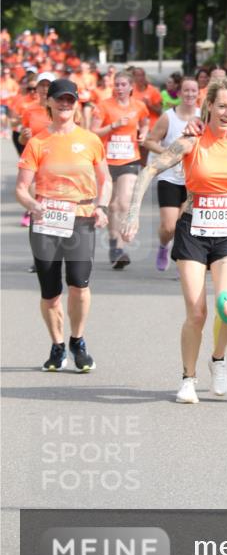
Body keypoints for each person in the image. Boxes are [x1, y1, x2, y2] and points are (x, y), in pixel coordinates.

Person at [121, 78, 227, 404]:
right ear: (210, 106)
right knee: (197, 313)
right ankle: (188, 378)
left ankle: (218, 360)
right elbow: (149, 171)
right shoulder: (191, 142)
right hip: (194, 231)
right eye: (222, 106)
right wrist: (131, 215)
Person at [15, 78, 111, 372]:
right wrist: (32, 204)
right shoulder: (39, 141)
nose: (65, 104)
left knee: (79, 286)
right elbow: (21, 188)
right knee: (50, 292)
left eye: (70, 100)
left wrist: (102, 207)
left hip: (80, 217)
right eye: (60, 100)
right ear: (50, 103)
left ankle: (77, 341)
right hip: (46, 220)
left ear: (76, 103)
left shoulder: (90, 140)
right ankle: (57, 346)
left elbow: (104, 180)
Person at [91, 70, 149, 269]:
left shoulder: (139, 106)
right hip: (107, 160)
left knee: (124, 202)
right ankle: (114, 244)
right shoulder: (103, 106)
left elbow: (145, 121)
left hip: (130, 159)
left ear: (131, 87)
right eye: (117, 84)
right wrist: (113, 126)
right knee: (113, 205)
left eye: (124, 84)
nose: (120, 88)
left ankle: (120, 249)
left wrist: (144, 134)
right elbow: (93, 133)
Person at [144, 75, 200, 271]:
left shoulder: (204, 116)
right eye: (186, 90)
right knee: (169, 227)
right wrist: (168, 153)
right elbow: (149, 141)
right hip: (169, 177)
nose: (190, 94)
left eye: (194, 90)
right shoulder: (169, 116)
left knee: (185, 224)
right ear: (179, 92)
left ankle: (184, 263)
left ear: (199, 92)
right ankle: (163, 246)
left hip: (193, 179)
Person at [131, 67, 163, 164]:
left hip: (151, 126)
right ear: (133, 77)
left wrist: (150, 105)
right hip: (135, 124)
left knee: (145, 149)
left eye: (142, 75)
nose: (140, 78)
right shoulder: (130, 90)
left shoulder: (153, 91)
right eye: (137, 75)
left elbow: (159, 111)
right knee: (136, 150)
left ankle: (144, 169)